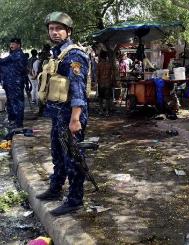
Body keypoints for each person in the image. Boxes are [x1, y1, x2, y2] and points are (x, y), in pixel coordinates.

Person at [35, 11, 90, 216]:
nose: (55, 32)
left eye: (59, 29)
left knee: (73, 159)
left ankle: (75, 200)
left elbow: (78, 90)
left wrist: (75, 119)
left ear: (68, 31)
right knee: (58, 155)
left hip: (71, 116)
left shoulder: (75, 55)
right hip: (58, 115)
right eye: (52, 29)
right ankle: (55, 189)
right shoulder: (57, 54)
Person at [0, 38, 27, 128]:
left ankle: (18, 123)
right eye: (11, 43)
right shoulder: (13, 54)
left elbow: (3, 61)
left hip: (16, 83)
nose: (11, 45)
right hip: (10, 83)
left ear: (18, 45)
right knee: (11, 102)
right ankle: (12, 121)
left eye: (13, 44)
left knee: (17, 103)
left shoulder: (18, 55)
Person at [96, 51, 114, 116]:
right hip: (108, 83)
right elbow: (112, 75)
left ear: (100, 56)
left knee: (100, 98)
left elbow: (97, 75)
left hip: (101, 83)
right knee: (107, 98)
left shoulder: (99, 64)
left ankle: (101, 111)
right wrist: (111, 82)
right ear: (106, 57)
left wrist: (97, 82)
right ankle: (107, 112)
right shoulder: (109, 64)